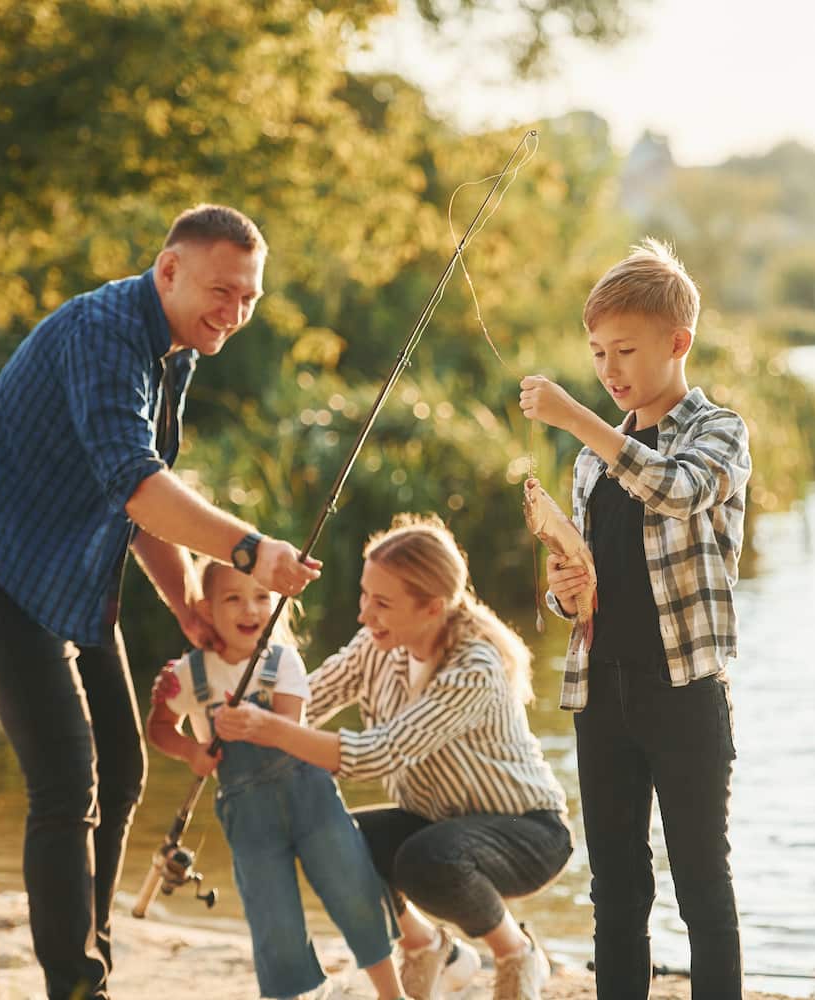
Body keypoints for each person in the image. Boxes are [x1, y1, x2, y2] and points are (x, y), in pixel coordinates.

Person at [0, 204, 321, 1000]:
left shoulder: (173, 350)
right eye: (221, 291)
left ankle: (90, 962)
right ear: (168, 270)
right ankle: (77, 986)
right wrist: (250, 552)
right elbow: (136, 480)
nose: (234, 313)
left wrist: (184, 603)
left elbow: (140, 504)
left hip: (72, 576)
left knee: (126, 768)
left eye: (248, 299)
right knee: (67, 785)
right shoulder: (104, 331)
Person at [517, 238, 752, 999]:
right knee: (617, 891)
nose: (609, 370)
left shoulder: (717, 433)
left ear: (677, 343)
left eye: (624, 350)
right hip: (602, 691)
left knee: (701, 888)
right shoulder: (593, 460)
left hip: (683, 691)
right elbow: (588, 579)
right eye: (596, 354)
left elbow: (676, 492)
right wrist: (564, 585)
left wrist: (579, 417)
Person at [213, 514, 572, 1000]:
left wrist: (271, 730)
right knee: (330, 839)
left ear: (432, 609)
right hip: (434, 819)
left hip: (526, 832)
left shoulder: (475, 668)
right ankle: (431, 949)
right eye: (365, 595)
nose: (365, 614)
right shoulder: (377, 645)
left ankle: (515, 952)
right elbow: (305, 700)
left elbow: (377, 753)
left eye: (381, 603)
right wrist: (236, 715)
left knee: (429, 858)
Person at [147, 559, 402, 1000]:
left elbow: (289, 726)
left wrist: (249, 722)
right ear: (206, 610)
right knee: (272, 918)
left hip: (310, 797)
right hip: (248, 814)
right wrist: (191, 751)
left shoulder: (283, 660)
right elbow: (159, 727)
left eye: (262, 597)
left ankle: (390, 992)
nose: (251, 609)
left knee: (352, 888)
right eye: (234, 599)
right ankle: (297, 992)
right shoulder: (189, 673)